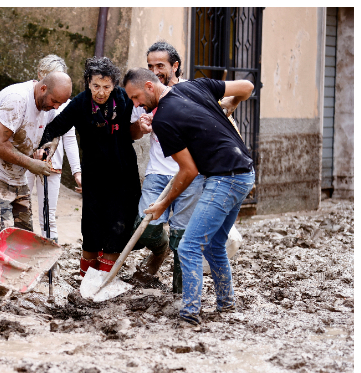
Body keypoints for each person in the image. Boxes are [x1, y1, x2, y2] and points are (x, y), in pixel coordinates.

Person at [123, 67, 255, 327]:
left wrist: (163, 203)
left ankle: (190, 313)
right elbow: (247, 88)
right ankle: (226, 303)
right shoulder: (195, 86)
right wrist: (230, 102)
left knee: (189, 246)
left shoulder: (164, 120)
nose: (136, 104)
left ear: (150, 86)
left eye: (136, 97)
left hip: (225, 179)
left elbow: (188, 170)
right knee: (215, 243)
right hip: (245, 172)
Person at [0, 70, 72, 294]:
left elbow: (56, 130)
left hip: (16, 175)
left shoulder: (49, 104)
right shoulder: (17, 100)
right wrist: (31, 164)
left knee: (24, 237)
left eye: (59, 104)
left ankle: (10, 291)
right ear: (43, 88)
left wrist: (48, 147)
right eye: (53, 102)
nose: (54, 107)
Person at [39, 57, 141, 279]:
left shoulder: (124, 99)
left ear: (114, 85)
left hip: (123, 175)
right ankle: (86, 278)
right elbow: (54, 128)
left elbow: (146, 113)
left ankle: (103, 279)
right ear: (87, 83)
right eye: (96, 86)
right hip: (94, 177)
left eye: (106, 87)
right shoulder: (80, 103)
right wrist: (46, 148)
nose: (101, 92)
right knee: (92, 226)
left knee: (118, 225)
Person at [127, 42, 205, 293]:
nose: (154, 70)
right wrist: (141, 125)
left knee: (183, 236)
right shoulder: (145, 92)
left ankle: (181, 292)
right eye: (150, 65)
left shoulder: (191, 91)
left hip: (190, 174)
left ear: (175, 66)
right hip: (157, 173)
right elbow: (133, 134)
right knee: (145, 227)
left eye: (160, 65)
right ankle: (160, 250)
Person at [32, 55, 83, 242]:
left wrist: (77, 172)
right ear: (41, 76)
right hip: (27, 161)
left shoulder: (66, 104)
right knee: (20, 208)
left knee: (48, 215)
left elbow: (69, 139)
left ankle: (49, 261)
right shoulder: (30, 97)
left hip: (52, 164)